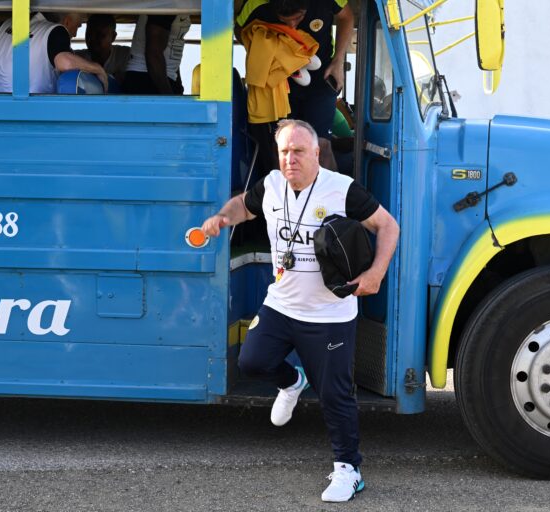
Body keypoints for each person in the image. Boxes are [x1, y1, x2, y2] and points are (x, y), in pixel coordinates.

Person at [201, 119, 399, 502]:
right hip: (282, 304)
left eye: (299, 152)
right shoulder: (272, 185)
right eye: (285, 152)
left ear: (316, 153)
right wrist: (223, 218)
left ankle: (348, 470)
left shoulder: (342, 190)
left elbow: (388, 226)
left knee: (335, 395)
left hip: (329, 314)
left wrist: (376, 274)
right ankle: (292, 382)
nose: (291, 159)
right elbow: (243, 206)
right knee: (252, 362)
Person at [236, 0, 354, 171]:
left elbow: (347, 17)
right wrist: (266, 53)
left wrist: (338, 61)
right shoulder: (256, 4)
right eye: (284, 20)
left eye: (298, 18)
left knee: (321, 145)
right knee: (284, 145)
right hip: (280, 84)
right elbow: (239, 29)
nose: (292, 25)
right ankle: (284, 197)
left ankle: (332, 197)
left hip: (322, 79)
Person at [0, 12, 107, 94]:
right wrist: (98, 69)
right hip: (34, 113)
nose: (75, 34)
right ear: (67, 21)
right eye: (78, 26)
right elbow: (65, 62)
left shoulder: (5, 26)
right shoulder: (56, 30)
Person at [123, 14, 191, 95]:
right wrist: (169, 97)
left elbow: (170, 53)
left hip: (162, 78)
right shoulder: (168, 5)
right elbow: (154, 53)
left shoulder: (182, 7)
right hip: (146, 78)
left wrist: (178, 88)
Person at [75, 14, 130, 86]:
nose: (92, 38)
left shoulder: (126, 56)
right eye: (89, 33)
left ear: (113, 37)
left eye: (100, 35)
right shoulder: (76, 58)